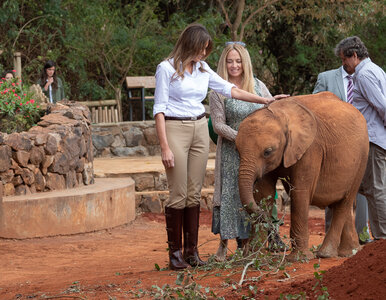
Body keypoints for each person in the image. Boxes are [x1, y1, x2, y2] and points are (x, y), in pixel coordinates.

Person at [153, 24, 287, 270]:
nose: (205, 55)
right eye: (202, 49)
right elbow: (159, 109)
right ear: (190, 45)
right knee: (179, 193)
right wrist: (165, 147)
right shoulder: (166, 68)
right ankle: (175, 254)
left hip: (200, 128)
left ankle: (192, 253)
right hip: (175, 128)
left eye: (206, 50)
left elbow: (231, 90)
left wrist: (265, 99)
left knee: (194, 193)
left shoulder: (202, 69)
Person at [210, 42, 287, 261]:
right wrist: (243, 139)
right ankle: (223, 244)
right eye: (230, 61)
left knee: (256, 195)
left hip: (257, 157)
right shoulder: (218, 91)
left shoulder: (259, 86)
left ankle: (250, 243)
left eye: (238, 61)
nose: (234, 65)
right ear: (224, 63)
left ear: (245, 62)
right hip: (231, 152)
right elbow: (218, 125)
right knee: (230, 196)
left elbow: (271, 112)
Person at [313, 53, 371, 244]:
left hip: (363, 140)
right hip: (334, 143)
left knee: (361, 189)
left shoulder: (367, 77)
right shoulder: (326, 77)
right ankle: (333, 237)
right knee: (333, 187)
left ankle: (361, 235)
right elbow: (314, 108)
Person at [334, 36, 385, 240]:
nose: (343, 64)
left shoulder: (364, 75)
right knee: (368, 187)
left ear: (354, 55)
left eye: (344, 59)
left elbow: (382, 106)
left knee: (377, 189)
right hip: (373, 139)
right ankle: (379, 235)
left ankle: (382, 238)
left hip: (374, 140)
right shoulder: (375, 70)